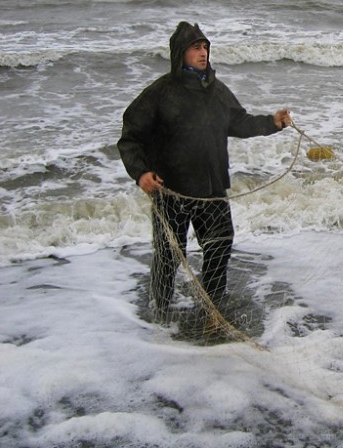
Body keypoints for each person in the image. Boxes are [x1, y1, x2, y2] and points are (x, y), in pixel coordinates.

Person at [118, 21, 291, 313]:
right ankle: (160, 314)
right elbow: (130, 138)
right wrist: (141, 174)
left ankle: (210, 309)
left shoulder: (216, 91)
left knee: (220, 245)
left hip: (211, 189)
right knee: (169, 256)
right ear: (180, 54)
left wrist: (272, 123)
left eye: (205, 47)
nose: (203, 53)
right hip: (171, 191)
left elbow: (239, 121)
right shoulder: (160, 93)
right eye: (196, 48)